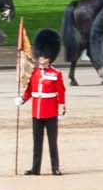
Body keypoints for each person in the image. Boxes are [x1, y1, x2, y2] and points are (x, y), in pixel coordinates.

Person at [19, 28, 67, 176]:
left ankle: (55, 167)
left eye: (44, 56)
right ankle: (35, 168)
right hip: (37, 113)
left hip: (51, 112)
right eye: (40, 56)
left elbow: (61, 92)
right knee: (37, 143)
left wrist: (61, 109)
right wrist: (22, 99)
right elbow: (30, 91)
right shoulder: (33, 73)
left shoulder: (56, 74)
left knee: (52, 143)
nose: (41, 59)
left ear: (49, 58)